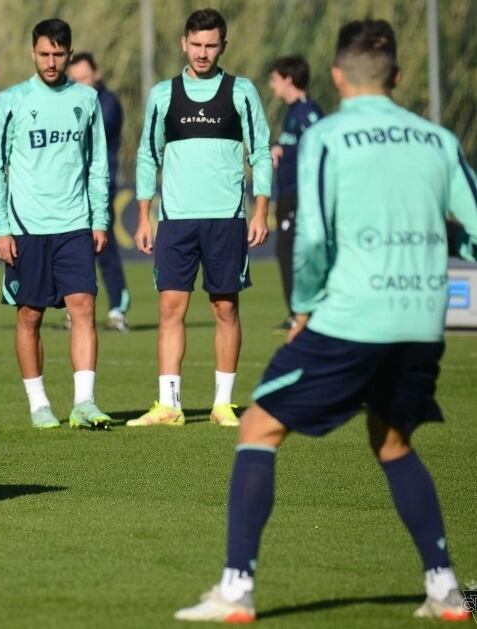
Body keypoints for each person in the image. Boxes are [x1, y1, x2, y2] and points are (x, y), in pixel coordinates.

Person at [175, 19, 477, 623]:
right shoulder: (437, 139)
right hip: (421, 321)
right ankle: (444, 590)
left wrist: (304, 309)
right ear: (397, 76)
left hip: (351, 317)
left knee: (258, 427)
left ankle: (236, 592)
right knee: (392, 443)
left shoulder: (328, 137)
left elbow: (310, 238)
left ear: (337, 77)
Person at [130, 8, 271, 429]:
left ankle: (222, 403)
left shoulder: (241, 92)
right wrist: (143, 215)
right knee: (171, 307)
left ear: (223, 46)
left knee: (225, 307)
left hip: (226, 219)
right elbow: (146, 156)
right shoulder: (163, 94)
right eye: (196, 44)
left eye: (211, 45)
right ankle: (169, 405)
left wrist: (260, 209)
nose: (203, 53)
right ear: (183, 44)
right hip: (175, 221)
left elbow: (260, 152)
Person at [0, 18, 111, 430]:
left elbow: (97, 165)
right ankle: (39, 404)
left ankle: (85, 403)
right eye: (44, 54)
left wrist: (100, 218)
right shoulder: (11, 101)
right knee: (30, 316)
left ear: (70, 54)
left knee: (84, 308)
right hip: (25, 227)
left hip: (74, 222)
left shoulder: (87, 99)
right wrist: (0, 227)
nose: (52, 61)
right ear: (31, 53)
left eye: (59, 54)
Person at [68, 52, 131, 332]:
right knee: (72, 250)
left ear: (96, 74)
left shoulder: (108, 103)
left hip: (100, 186)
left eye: (84, 77)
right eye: (75, 80)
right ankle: (73, 311)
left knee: (103, 248)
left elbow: (88, 132)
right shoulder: (75, 102)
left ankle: (118, 307)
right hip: (72, 186)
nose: (81, 84)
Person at [268, 55, 324, 331]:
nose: (272, 85)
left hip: (301, 194)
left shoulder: (307, 112)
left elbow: (319, 148)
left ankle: (301, 313)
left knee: (292, 250)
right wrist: (279, 147)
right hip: (288, 192)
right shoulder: (292, 113)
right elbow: (295, 145)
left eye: (275, 79)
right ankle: (299, 311)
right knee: (286, 249)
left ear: (289, 80)